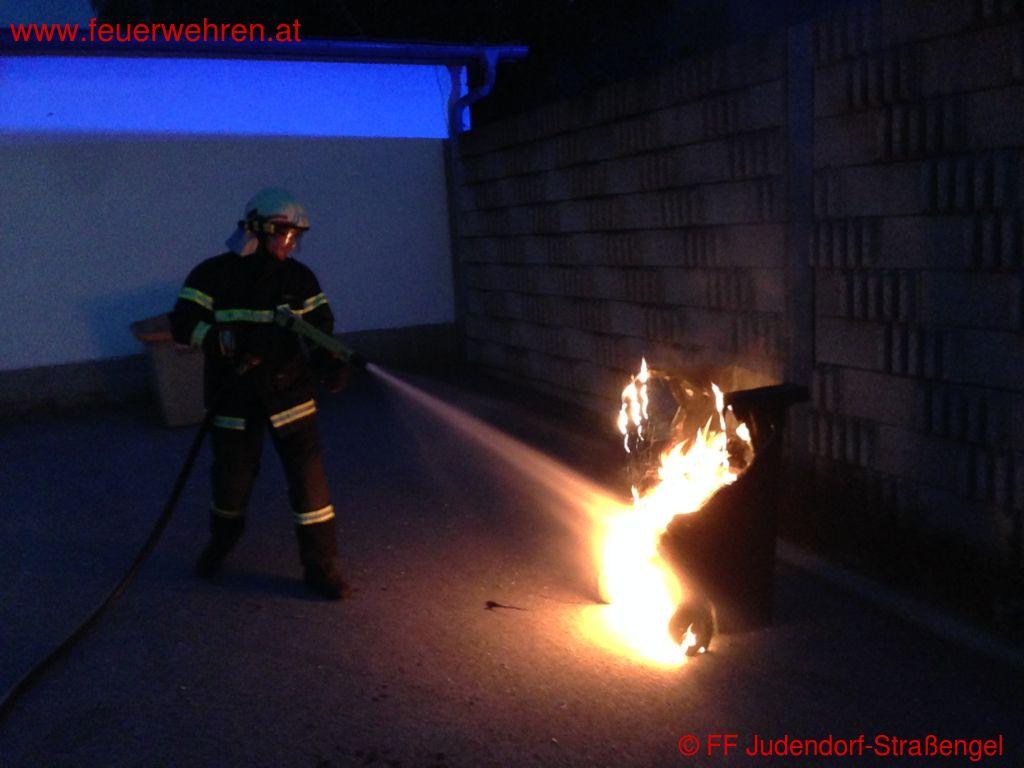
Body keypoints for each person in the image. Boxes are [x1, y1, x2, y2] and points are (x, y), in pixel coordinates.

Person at [170, 188, 353, 599]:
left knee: (310, 487)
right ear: (254, 229)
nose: (288, 246)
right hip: (234, 398)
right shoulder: (212, 274)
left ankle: (321, 565)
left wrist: (331, 363)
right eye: (281, 235)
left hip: (291, 397)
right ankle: (221, 542)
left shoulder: (299, 279)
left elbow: (319, 330)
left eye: (295, 238)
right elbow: (183, 323)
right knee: (231, 482)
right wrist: (219, 340)